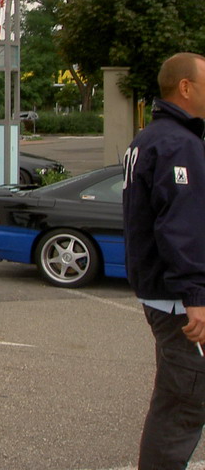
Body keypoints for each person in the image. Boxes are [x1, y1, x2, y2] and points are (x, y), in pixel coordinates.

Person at [123, 52, 205, 469]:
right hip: (176, 300)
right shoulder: (178, 144)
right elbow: (179, 224)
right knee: (186, 400)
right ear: (185, 87)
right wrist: (195, 294)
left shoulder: (149, 138)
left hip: (162, 293)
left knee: (179, 392)